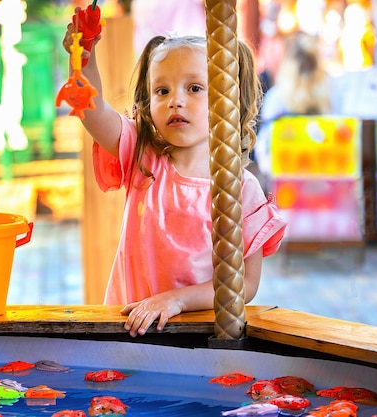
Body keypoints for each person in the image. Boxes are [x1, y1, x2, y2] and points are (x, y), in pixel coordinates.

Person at [62, 19, 287, 337]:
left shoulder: (240, 188)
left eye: (194, 88)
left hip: (197, 333)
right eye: (161, 90)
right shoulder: (142, 156)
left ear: (227, 99)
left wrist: (177, 300)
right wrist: (83, 59)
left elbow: (245, 284)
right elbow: (93, 110)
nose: (175, 100)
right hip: (128, 327)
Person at [255, 31, 335, 178]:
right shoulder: (329, 93)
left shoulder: (277, 96)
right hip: (323, 178)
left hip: (285, 183)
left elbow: (264, 153)